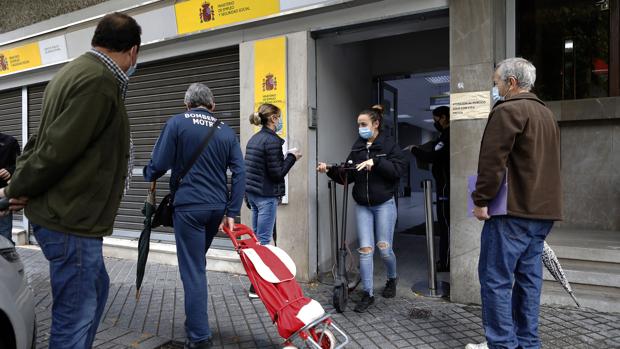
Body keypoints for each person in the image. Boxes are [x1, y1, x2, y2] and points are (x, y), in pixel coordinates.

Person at [0, 12, 141, 348]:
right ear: (133, 51)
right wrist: (16, 189)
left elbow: (41, 141)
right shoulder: (98, 82)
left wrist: (20, 185)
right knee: (74, 316)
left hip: (72, 218)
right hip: (71, 221)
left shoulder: (74, 73)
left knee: (95, 290)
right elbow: (55, 150)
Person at [466, 58, 562, 349]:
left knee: (495, 281)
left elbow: (493, 162)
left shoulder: (508, 110)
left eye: (496, 82)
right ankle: (527, 343)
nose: (495, 88)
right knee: (529, 281)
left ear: (511, 83)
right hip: (542, 212)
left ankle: (502, 344)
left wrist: (481, 200)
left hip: (511, 212)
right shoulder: (546, 114)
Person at [143, 83, 245, 349]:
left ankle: (199, 337)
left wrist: (148, 173)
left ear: (186, 104)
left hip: (189, 207)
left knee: (194, 271)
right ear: (213, 105)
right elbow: (240, 172)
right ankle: (194, 323)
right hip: (216, 209)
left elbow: (159, 163)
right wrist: (232, 211)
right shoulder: (225, 131)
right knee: (196, 263)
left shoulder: (177, 123)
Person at [317, 105, 407, 313]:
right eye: (358, 125)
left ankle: (392, 278)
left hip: (384, 203)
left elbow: (398, 170)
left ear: (375, 124)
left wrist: (375, 163)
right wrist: (330, 169)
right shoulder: (357, 147)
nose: (360, 128)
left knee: (384, 249)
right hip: (363, 206)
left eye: (363, 124)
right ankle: (368, 294)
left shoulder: (389, 145)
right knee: (366, 250)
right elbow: (347, 173)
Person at [244, 103, 301, 297]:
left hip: (253, 196)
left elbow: (250, 170)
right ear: (274, 118)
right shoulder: (273, 141)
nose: (281, 121)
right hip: (266, 197)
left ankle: (256, 282)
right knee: (264, 242)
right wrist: (292, 157)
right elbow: (277, 173)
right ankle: (258, 287)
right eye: (280, 117)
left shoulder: (254, 139)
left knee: (257, 240)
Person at [405, 106, 450, 272]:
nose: (434, 122)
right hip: (442, 185)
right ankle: (445, 260)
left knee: (445, 224)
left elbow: (434, 156)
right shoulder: (443, 135)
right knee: (444, 224)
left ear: (443, 118)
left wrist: (415, 150)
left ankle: (445, 262)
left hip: (446, 187)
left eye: (435, 118)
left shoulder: (448, 136)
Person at [0, 132, 20, 244]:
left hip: (2, 198)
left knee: (4, 239)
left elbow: (19, 166)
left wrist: (10, 171)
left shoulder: (10, 141)